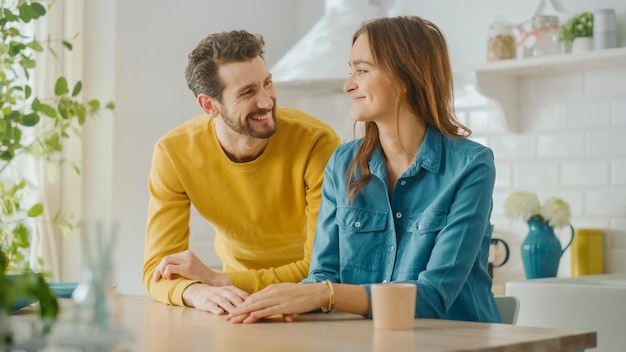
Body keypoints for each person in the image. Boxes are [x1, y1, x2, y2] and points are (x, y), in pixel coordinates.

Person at [227, 16, 500, 324]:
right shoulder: (342, 165)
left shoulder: (471, 166)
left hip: (459, 341)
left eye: (361, 70)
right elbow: (323, 274)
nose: (348, 85)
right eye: (350, 71)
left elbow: (433, 296)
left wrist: (326, 294)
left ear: (406, 76)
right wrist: (275, 302)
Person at [142, 30, 341, 314]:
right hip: (234, 303)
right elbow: (157, 267)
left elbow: (322, 267)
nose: (266, 101)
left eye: (267, 83)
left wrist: (218, 279)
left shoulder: (316, 142)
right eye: (248, 92)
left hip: (307, 301)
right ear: (209, 105)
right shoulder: (173, 153)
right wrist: (194, 290)